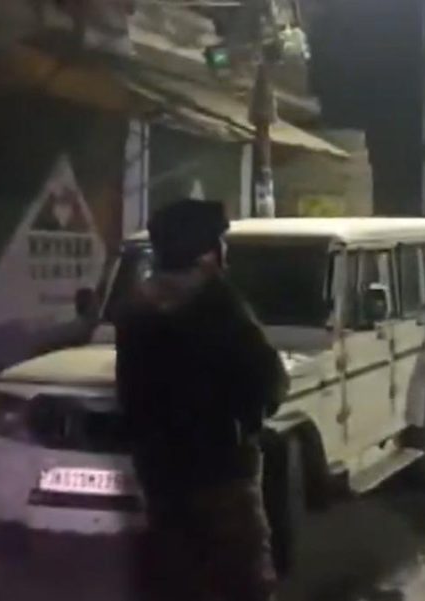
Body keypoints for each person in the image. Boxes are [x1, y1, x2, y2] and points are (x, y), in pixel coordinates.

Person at [114, 199, 288, 601]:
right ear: (207, 253)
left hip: (160, 480)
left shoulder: (134, 312)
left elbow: (131, 397)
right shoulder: (220, 307)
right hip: (222, 475)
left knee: (177, 581)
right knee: (242, 583)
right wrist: (250, 417)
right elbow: (269, 382)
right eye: (219, 243)